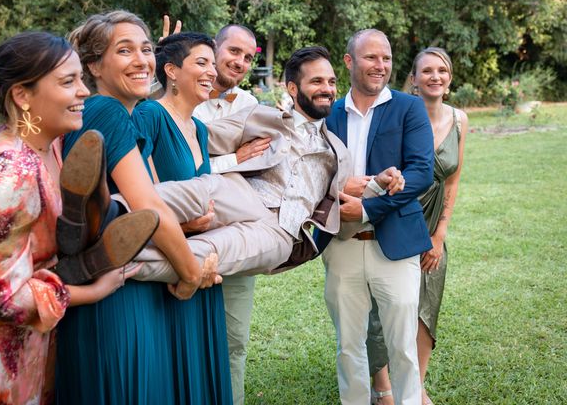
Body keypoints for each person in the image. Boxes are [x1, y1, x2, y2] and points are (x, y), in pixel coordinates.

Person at [0, 32, 141, 404]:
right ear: (23, 96)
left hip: (23, 340)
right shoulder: (10, 172)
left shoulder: (44, 144)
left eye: (81, 79)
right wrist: (94, 292)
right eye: (68, 81)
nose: (84, 92)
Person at [54, 11, 219, 405]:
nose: (142, 60)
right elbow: (148, 208)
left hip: (124, 276)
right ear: (94, 65)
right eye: (124, 50)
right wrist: (192, 273)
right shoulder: (107, 111)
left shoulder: (123, 116)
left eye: (146, 49)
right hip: (116, 290)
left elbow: (153, 199)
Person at [132, 46, 405, 282]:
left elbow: (345, 223)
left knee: (204, 254)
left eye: (332, 82)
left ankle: (112, 262)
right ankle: (105, 210)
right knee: (191, 193)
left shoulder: (338, 152)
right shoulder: (260, 116)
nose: (327, 89)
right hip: (239, 193)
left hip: (279, 230)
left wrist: (378, 186)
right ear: (293, 89)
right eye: (317, 81)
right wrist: (163, 83)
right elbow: (192, 131)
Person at [315, 29, 435, 405]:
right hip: (343, 245)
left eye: (385, 58)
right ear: (349, 62)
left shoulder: (408, 107)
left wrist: (368, 207)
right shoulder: (328, 112)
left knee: (402, 347)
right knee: (348, 346)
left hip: (396, 247)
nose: (380, 65)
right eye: (371, 58)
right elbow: (314, 174)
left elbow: (421, 172)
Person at [134, 31, 234, 403]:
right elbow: (141, 193)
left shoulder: (201, 127)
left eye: (213, 63)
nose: (213, 71)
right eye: (202, 62)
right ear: (172, 70)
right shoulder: (150, 115)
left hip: (201, 257)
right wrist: (183, 225)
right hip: (163, 260)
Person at [368, 47, 468, 405]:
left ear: (450, 78)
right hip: (399, 213)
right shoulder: (398, 115)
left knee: (428, 299)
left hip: (434, 223)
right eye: (427, 71)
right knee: (383, 305)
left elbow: (453, 179)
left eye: (442, 70)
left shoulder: (459, 120)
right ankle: (383, 386)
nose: (435, 76)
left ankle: (417, 383)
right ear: (413, 79)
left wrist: (439, 234)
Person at [192, 23, 270, 405]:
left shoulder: (251, 109)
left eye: (247, 56)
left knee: (233, 342)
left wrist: (228, 162)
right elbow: (176, 163)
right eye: (233, 52)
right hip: (186, 231)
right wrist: (232, 159)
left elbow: (260, 166)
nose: (239, 62)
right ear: (214, 48)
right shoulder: (183, 98)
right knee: (185, 340)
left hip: (235, 234)